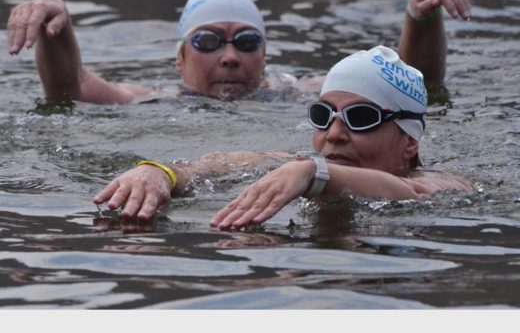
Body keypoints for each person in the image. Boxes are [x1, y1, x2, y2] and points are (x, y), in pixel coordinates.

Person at [93, 45, 474, 228]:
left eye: (361, 118)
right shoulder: (293, 166)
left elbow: (409, 192)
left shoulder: (446, 184)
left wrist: (315, 173)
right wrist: (159, 173)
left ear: (409, 143)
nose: (334, 134)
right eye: (323, 116)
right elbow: (207, 168)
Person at [6, 0, 470, 103]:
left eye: (246, 42)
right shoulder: (148, 100)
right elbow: (70, 88)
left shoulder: (299, 94)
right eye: (209, 42)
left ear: (265, 56)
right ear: (179, 58)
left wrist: (420, 17)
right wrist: (55, 20)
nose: (230, 57)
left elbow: (410, 84)